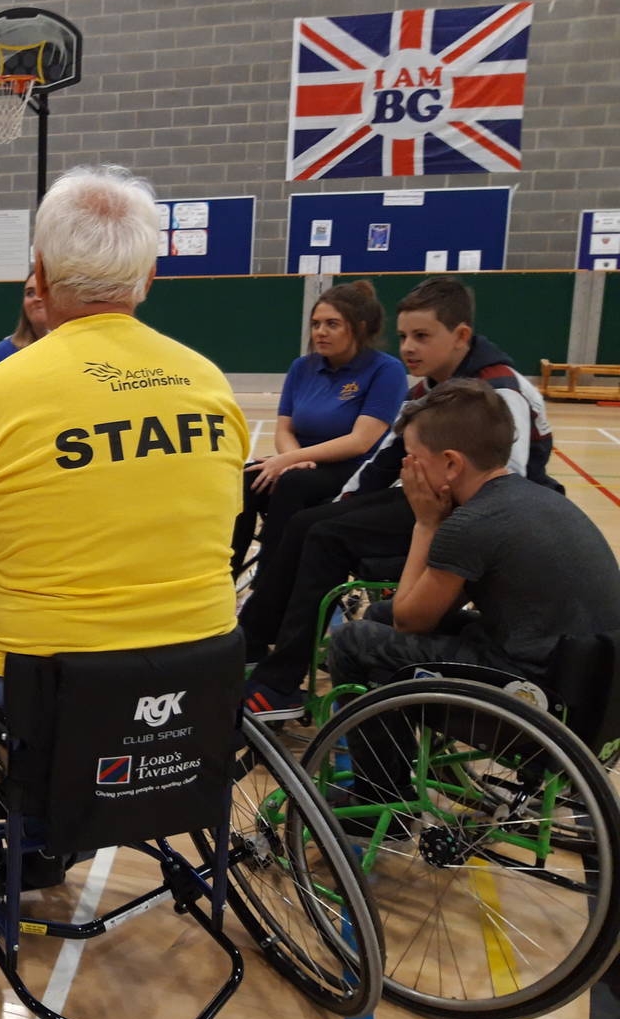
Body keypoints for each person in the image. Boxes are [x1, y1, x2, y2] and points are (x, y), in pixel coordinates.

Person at [0, 164, 249, 711]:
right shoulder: (210, 381)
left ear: (39, 276)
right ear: (149, 276)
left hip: (51, 686)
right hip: (199, 673)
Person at [240, 276, 558, 720]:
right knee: (308, 521)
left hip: (488, 520)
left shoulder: (501, 389)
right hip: (432, 499)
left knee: (328, 537)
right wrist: (340, 503)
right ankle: (253, 639)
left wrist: (432, 529)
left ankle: (280, 684)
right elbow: (382, 464)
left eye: (422, 336)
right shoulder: (425, 389)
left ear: (461, 336)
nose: (407, 347)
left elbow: (509, 488)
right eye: (405, 335)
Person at [326, 380, 620, 809]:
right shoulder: (535, 496)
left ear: (450, 464)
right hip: (592, 686)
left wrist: (425, 522)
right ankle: (393, 753)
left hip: (536, 702)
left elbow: (412, 621)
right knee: (383, 614)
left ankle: (381, 795)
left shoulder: (471, 524)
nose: (406, 468)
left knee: (353, 643)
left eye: (412, 458)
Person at [230, 280, 406, 579]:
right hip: (302, 463)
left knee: (292, 483)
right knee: (247, 479)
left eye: (332, 324)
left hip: (353, 469)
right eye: (316, 324)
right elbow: (284, 429)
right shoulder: (302, 367)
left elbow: (360, 441)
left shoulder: (386, 370)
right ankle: (226, 576)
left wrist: (290, 463)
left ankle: (270, 580)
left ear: (359, 327)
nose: (320, 332)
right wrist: (294, 458)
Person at [0, 270, 48, 372]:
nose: (37, 298)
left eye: (45, 290)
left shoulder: (75, 349)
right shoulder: (3, 352)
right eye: (30, 293)